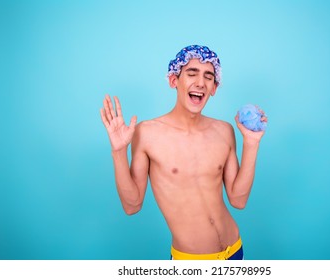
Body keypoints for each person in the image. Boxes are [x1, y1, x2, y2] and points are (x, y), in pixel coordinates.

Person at [100, 45, 267, 260]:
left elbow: (238, 200)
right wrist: (119, 151)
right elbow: (132, 206)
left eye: (208, 76)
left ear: (214, 87)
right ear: (173, 80)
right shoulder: (147, 133)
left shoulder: (225, 130)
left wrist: (251, 144)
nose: (200, 82)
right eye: (191, 73)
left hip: (235, 251)